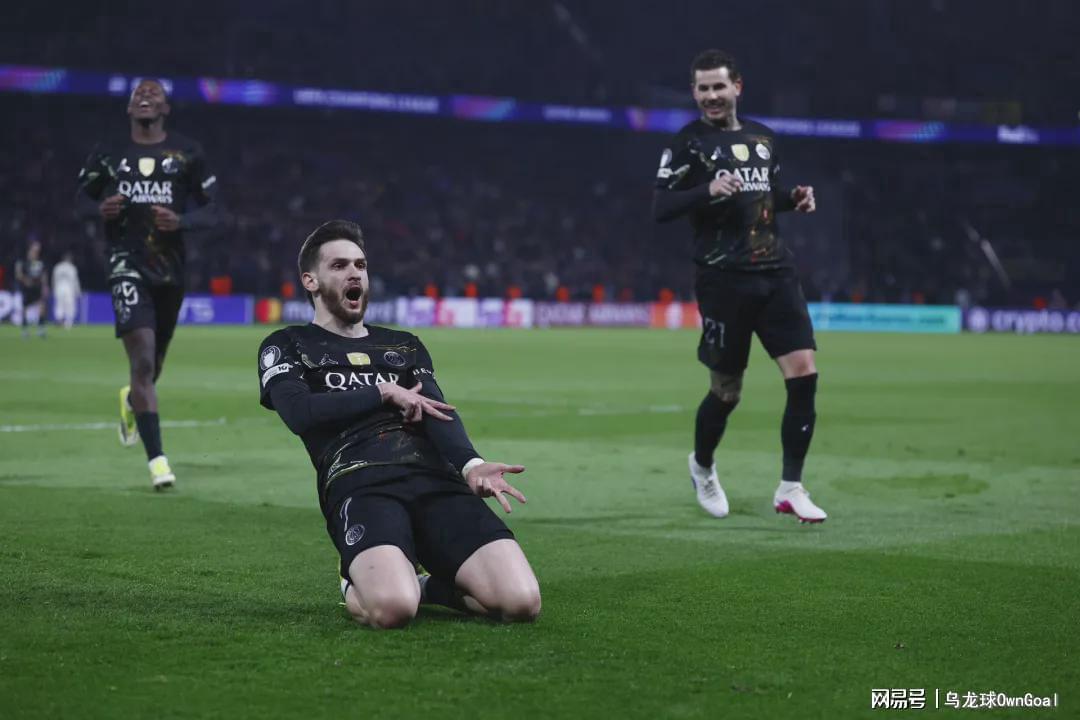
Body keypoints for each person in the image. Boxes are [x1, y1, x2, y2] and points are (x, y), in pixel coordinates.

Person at [258, 220, 541, 629]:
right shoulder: (287, 344)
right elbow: (299, 413)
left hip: (434, 478)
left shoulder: (403, 344)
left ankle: (426, 585)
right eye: (339, 265)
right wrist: (382, 392)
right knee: (393, 610)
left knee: (521, 603)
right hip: (361, 482)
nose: (354, 273)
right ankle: (358, 579)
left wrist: (471, 465)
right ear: (310, 281)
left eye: (360, 265)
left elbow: (437, 409)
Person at [653, 49, 827, 523]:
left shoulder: (763, 138)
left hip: (776, 272)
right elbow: (660, 207)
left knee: (804, 373)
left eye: (718, 86)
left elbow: (762, 198)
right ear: (694, 92)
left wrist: (793, 198)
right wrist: (705, 190)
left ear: (737, 87)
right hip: (722, 278)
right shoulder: (687, 144)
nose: (711, 95)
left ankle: (791, 487)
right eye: (703, 88)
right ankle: (702, 466)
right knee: (727, 391)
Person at [77, 78, 220, 489]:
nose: (144, 96)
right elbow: (78, 199)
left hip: (170, 271)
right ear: (129, 108)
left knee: (152, 367)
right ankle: (158, 461)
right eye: (138, 93)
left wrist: (182, 221)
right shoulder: (109, 152)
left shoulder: (187, 153)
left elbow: (214, 210)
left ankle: (131, 400)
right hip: (125, 263)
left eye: (154, 93)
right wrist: (98, 208)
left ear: (165, 109)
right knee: (140, 362)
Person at [15, 240, 48, 339]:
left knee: (42, 307)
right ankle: (25, 330)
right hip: (27, 289)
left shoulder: (40, 262)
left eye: (37, 251)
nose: (36, 252)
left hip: (37, 288)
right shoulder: (23, 262)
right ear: (30, 250)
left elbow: (44, 275)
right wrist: (25, 280)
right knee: (25, 309)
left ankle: (41, 330)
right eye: (34, 250)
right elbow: (18, 274)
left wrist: (45, 286)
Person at [51, 251, 82, 330]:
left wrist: (53, 289)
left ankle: (59, 321)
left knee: (59, 304)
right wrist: (78, 291)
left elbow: (53, 279)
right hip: (69, 289)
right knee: (70, 305)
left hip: (59, 288)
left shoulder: (58, 267)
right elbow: (75, 281)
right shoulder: (72, 267)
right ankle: (69, 322)